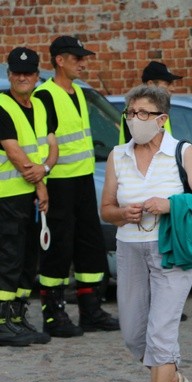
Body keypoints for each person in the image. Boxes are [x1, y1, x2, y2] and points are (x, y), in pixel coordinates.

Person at [101, 85, 192, 382]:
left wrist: (170, 205)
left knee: (161, 332)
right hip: (130, 249)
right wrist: (123, 212)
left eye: (143, 113)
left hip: (171, 249)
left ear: (162, 119)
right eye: (130, 113)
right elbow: (105, 210)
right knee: (135, 335)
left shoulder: (182, 152)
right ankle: (174, 379)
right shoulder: (117, 156)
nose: (135, 120)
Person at [32, 36, 119, 337]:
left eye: (84, 57)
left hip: (83, 180)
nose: (84, 62)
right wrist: (41, 184)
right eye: (77, 57)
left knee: (90, 245)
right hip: (57, 183)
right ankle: (53, 315)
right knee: (58, 248)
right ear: (59, 60)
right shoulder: (44, 95)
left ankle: (90, 310)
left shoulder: (79, 93)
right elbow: (42, 143)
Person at [0, 47, 56, 347]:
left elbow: (51, 145)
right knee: (7, 258)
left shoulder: (39, 106)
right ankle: (0, 321)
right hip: (6, 196)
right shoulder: (1, 105)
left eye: (28, 73)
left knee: (26, 260)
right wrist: (40, 183)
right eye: (17, 72)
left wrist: (45, 169)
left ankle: (17, 317)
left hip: (30, 198)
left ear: (37, 75)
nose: (22, 77)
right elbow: (14, 151)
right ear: (9, 75)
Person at [118, 61, 181, 144]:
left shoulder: (162, 107)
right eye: (167, 83)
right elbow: (139, 150)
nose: (173, 88)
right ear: (151, 84)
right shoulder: (134, 112)